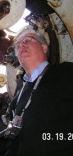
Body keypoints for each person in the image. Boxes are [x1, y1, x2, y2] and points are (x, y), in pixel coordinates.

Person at [5, 27, 73, 156]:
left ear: (44, 48)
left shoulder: (66, 73)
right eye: (18, 46)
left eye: (28, 40)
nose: (22, 45)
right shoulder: (17, 99)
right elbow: (13, 143)